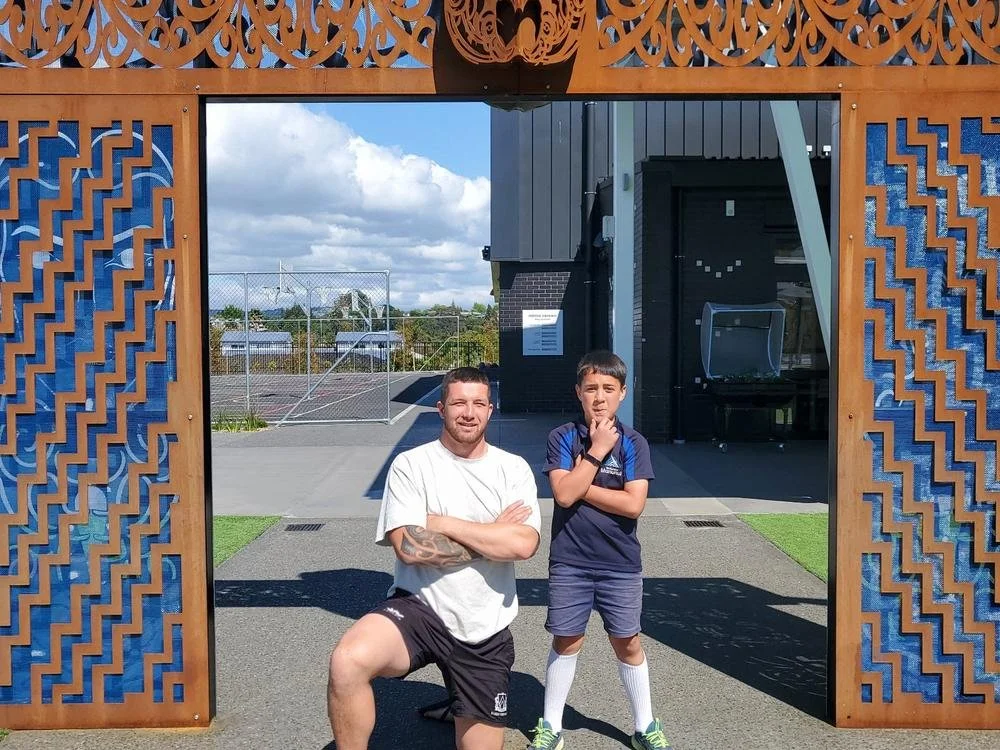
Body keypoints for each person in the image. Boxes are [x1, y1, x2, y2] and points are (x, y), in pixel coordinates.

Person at [327, 366, 542, 750]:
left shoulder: (513, 469)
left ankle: (460, 699)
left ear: (490, 410)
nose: (469, 413)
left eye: (478, 403)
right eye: (459, 403)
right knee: (348, 661)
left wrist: (441, 522)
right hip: (420, 609)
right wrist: (492, 535)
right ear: (441, 408)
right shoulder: (411, 465)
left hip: (484, 626)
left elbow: (524, 545)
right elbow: (410, 548)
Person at [527, 350, 671, 750]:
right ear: (578, 392)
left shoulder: (634, 443)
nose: (599, 396)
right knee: (567, 640)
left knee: (628, 641)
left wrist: (580, 483)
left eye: (609, 388)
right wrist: (594, 453)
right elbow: (561, 495)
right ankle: (551, 726)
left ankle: (644, 726)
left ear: (623, 393)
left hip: (620, 564)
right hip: (570, 561)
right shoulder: (562, 437)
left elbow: (633, 504)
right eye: (591, 388)